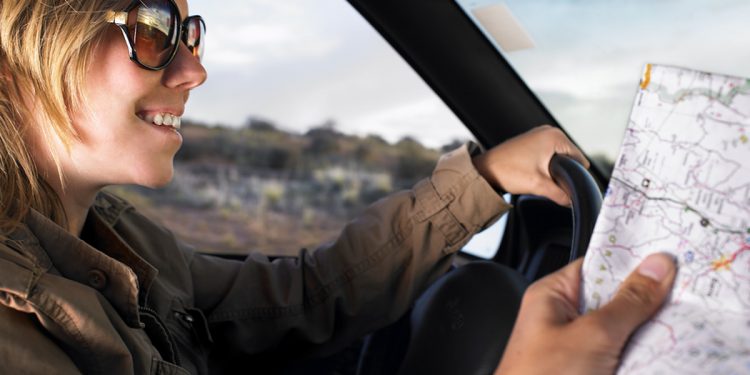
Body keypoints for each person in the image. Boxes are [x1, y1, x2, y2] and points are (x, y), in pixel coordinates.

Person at [0, 0, 675, 374]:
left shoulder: (116, 236)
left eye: (191, 30)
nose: (194, 69)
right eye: (153, 28)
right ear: (18, 49)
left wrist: (483, 180)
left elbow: (298, 298)